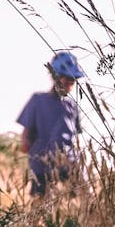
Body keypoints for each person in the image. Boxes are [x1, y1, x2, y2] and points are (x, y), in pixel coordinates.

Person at [17, 51, 85, 198]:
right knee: (40, 201)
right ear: (55, 77)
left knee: (83, 197)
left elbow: (76, 136)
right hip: (42, 163)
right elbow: (26, 134)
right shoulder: (38, 100)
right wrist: (25, 143)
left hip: (68, 161)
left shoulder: (72, 106)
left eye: (73, 80)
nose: (69, 84)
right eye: (66, 79)